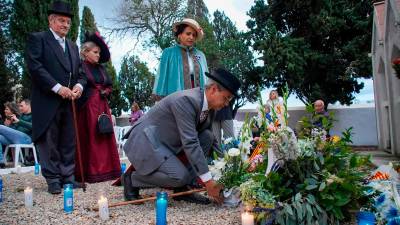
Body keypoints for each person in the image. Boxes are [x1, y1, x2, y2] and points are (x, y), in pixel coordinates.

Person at [123, 68, 241, 205]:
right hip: (148, 140)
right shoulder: (187, 100)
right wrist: (208, 182)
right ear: (214, 89)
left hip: (167, 143)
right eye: (226, 98)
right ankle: (132, 179)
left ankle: (184, 188)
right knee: (180, 177)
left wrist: (227, 165)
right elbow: (190, 142)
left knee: (207, 136)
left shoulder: (210, 108)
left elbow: (212, 140)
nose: (227, 104)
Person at [25, 1, 86, 194]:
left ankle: (68, 177)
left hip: (69, 102)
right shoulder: (38, 39)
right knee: (49, 141)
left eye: (68, 22)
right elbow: (35, 67)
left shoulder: (73, 46)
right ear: (51, 20)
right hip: (47, 100)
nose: (66, 25)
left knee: (68, 140)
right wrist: (58, 88)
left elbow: (81, 73)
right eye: (61, 21)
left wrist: (78, 86)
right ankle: (53, 179)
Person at [74, 32, 121, 183]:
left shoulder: (101, 69)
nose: (98, 55)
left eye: (99, 53)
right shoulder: (80, 67)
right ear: (85, 52)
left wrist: (105, 91)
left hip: (102, 105)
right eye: (95, 52)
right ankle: (92, 172)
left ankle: (108, 170)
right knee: (92, 136)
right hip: (87, 106)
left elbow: (109, 85)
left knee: (105, 134)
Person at [152, 18, 208, 100]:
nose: (191, 37)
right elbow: (162, 77)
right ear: (179, 35)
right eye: (188, 34)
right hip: (175, 98)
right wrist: (160, 98)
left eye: (194, 35)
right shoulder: (168, 53)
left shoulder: (201, 55)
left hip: (197, 99)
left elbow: (206, 79)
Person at [0, 102, 32, 167]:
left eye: (21, 106)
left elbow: (34, 127)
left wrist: (19, 121)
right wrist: (8, 126)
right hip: (15, 139)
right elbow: (14, 132)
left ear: (28, 105)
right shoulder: (21, 116)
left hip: (27, 139)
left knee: (0, 127)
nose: (19, 108)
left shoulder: (34, 115)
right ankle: (1, 161)